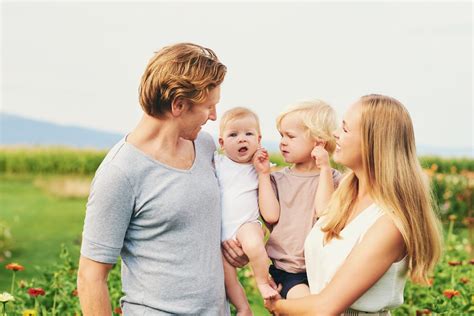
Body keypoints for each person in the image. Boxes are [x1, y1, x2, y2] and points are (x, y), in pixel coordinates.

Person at [77, 43, 237, 315]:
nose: (214, 116)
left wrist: (233, 248)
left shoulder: (206, 146)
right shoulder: (120, 173)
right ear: (179, 105)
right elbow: (90, 277)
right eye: (209, 107)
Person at [265, 94, 443, 315]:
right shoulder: (343, 194)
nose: (335, 134)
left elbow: (325, 308)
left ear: (372, 142)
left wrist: (276, 304)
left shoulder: (390, 222)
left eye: (346, 129)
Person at [253, 100, 342, 299]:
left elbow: (324, 211)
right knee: (307, 306)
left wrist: (325, 170)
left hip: (324, 271)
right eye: (281, 135)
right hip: (289, 272)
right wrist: (264, 175)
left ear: (318, 142)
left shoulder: (335, 179)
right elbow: (270, 215)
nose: (282, 142)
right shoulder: (278, 179)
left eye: (290, 136)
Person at [215, 107, 279, 315]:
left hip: (246, 224)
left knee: (253, 244)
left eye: (248, 134)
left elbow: (267, 198)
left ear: (259, 139)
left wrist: (263, 170)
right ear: (222, 144)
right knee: (227, 276)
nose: (242, 139)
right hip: (222, 232)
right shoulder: (218, 163)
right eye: (233, 135)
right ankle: (243, 307)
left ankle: (262, 281)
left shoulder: (258, 166)